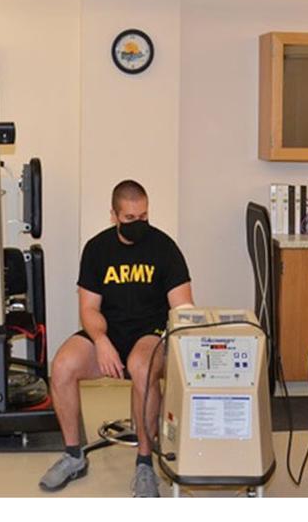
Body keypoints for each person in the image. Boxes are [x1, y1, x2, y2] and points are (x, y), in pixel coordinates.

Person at [39, 180, 194, 497]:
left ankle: (144, 463)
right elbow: (89, 308)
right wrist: (101, 340)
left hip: (150, 334)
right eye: (130, 219)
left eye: (144, 216)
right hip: (108, 333)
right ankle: (73, 456)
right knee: (63, 365)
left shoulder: (164, 248)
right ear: (114, 215)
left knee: (141, 365)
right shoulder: (97, 250)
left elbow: (183, 307)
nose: (139, 224)